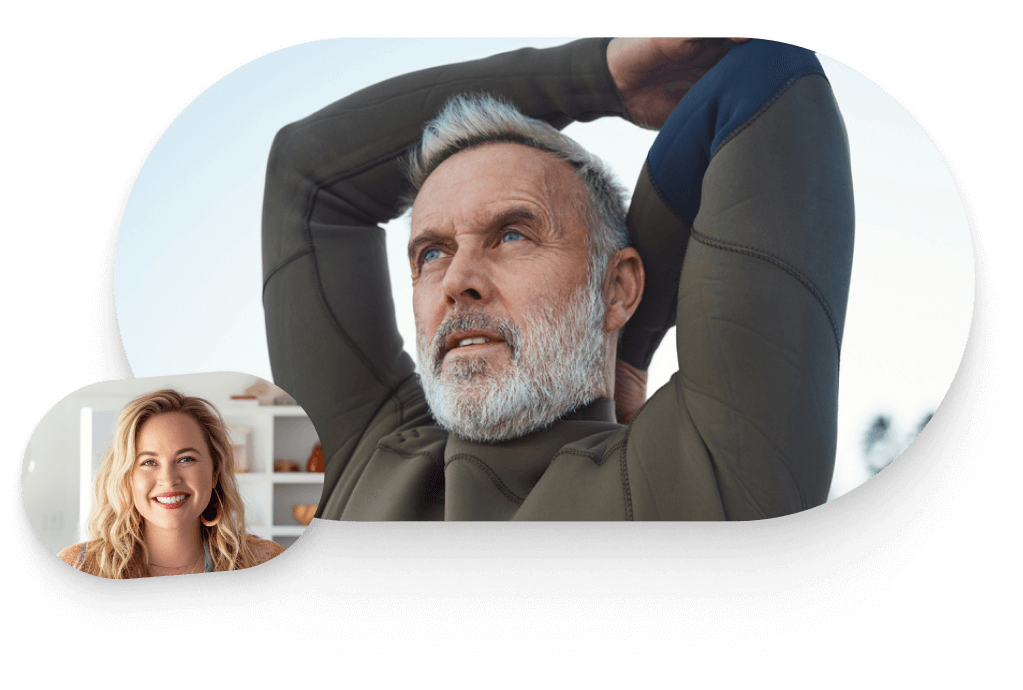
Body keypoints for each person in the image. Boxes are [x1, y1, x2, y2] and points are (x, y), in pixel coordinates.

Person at [261, 37, 854, 520]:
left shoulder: (701, 475)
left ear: (619, 288)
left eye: (512, 235)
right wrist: (596, 76)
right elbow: (305, 176)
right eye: (433, 252)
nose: (457, 281)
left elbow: (765, 76)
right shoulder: (365, 458)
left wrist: (623, 342)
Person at [57, 390, 285, 577]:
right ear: (127, 477)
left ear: (214, 471)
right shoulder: (78, 567)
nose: (168, 479)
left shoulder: (266, 561)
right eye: (148, 462)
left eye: (186, 459)